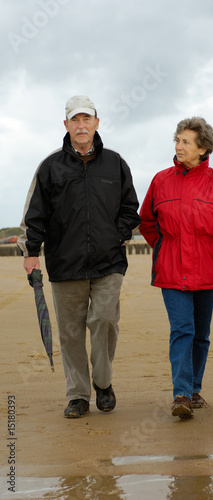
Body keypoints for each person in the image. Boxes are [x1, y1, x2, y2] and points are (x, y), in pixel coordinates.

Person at [18, 95, 141, 418]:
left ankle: (103, 383)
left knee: (104, 321)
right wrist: (32, 252)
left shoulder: (115, 163)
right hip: (64, 263)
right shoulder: (50, 166)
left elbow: (131, 208)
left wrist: (119, 235)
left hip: (109, 262)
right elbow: (36, 215)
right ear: (66, 125)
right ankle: (77, 395)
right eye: (75, 119)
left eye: (87, 119)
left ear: (97, 123)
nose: (81, 125)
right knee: (71, 333)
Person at [139, 117, 213, 419]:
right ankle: (180, 394)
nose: (178, 146)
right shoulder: (160, 180)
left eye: (186, 142)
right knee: (183, 329)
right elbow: (147, 222)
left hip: (208, 270)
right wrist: (165, 247)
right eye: (177, 140)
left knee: (201, 334)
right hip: (171, 271)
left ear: (203, 149)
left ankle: (194, 388)